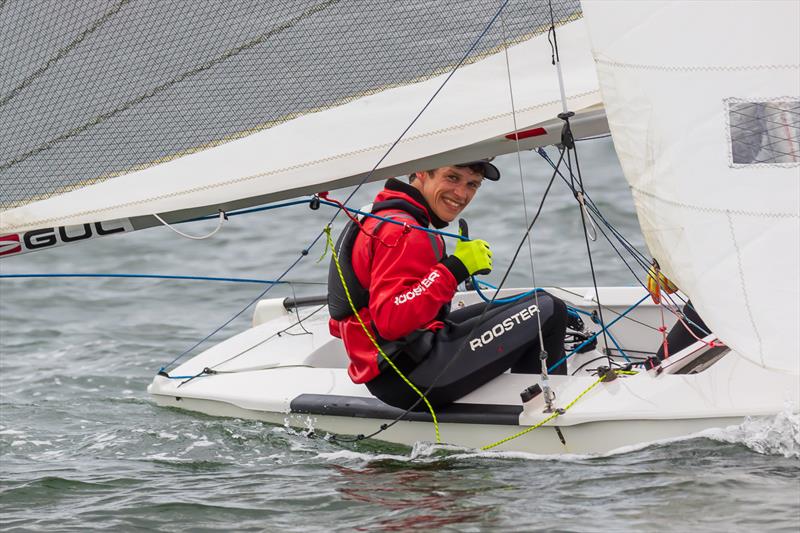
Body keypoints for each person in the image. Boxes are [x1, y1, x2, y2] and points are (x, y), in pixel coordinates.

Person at [327, 160, 568, 410]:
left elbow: (341, 323)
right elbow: (391, 321)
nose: (462, 194)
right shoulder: (405, 231)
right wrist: (455, 269)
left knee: (532, 301)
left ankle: (528, 394)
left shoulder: (383, 214)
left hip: (392, 369)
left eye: (472, 184)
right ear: (421, 171)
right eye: (452, 178)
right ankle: (546, 412)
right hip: (412, 378)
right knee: (548, 309)